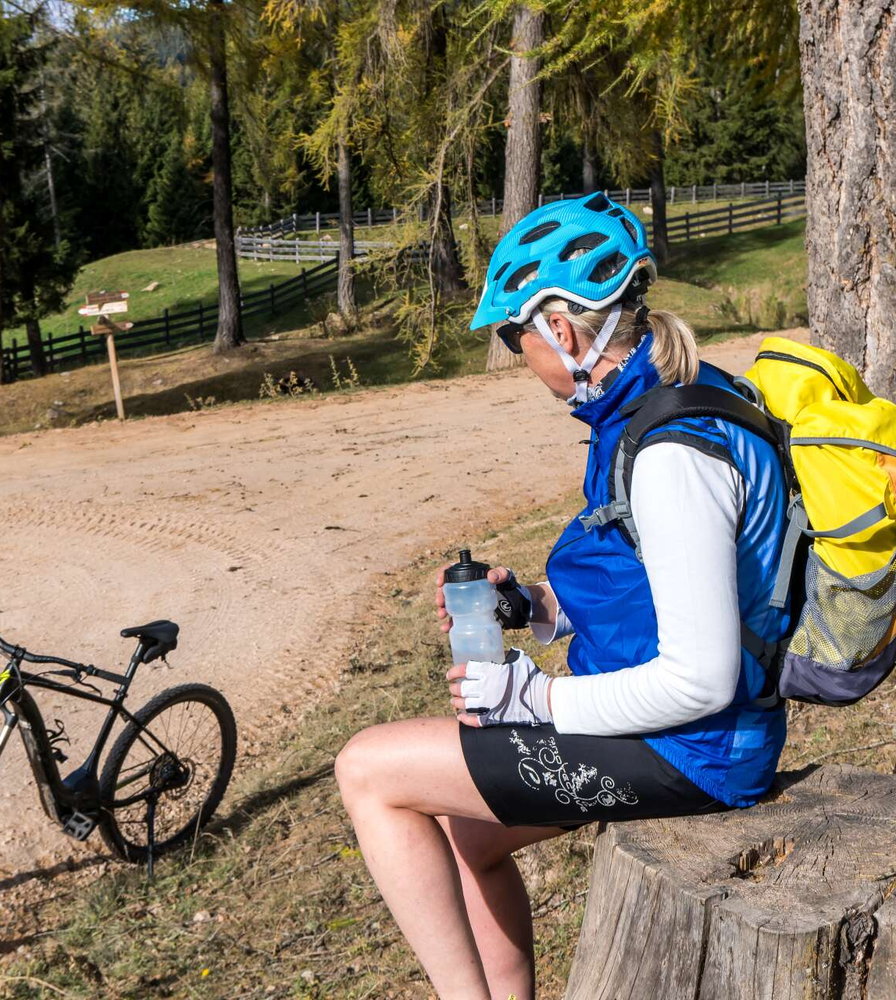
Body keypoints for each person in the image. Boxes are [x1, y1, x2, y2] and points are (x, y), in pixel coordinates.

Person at [334, 192, 791, 1000]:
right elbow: (649, 587)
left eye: (518, 342)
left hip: (697, 751)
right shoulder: (661, 402)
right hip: (697, 737)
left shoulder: (669, 454)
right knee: (466, 836)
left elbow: (701, 678)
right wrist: (533, 608)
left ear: (563, 332)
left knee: (367, 768)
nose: (523, 364)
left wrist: (536, 698)